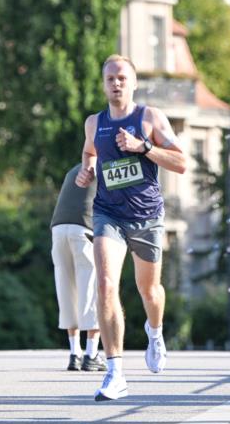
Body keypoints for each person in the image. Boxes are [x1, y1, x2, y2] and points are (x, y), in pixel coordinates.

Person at [76, 55, 187, 401]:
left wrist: (144, 147)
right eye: (110, 78)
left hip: (147, 216)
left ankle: (155, 332)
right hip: (108, 213)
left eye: (122, 78)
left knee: (149, 290)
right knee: (106, 284)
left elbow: (181, 162)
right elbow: (89, 153)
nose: (116, 83)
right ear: (103, 84)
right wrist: (88, 169)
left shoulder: (150, 117)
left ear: (134, 83)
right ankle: (115, 373)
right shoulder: (94, 123)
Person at [51, 162, 105, 372]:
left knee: (67, 291)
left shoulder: (74, 169)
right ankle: (91, 354)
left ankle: (75, 353)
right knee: (92, 290)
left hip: (58, 229)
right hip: (84, 229)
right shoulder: (106, 165)